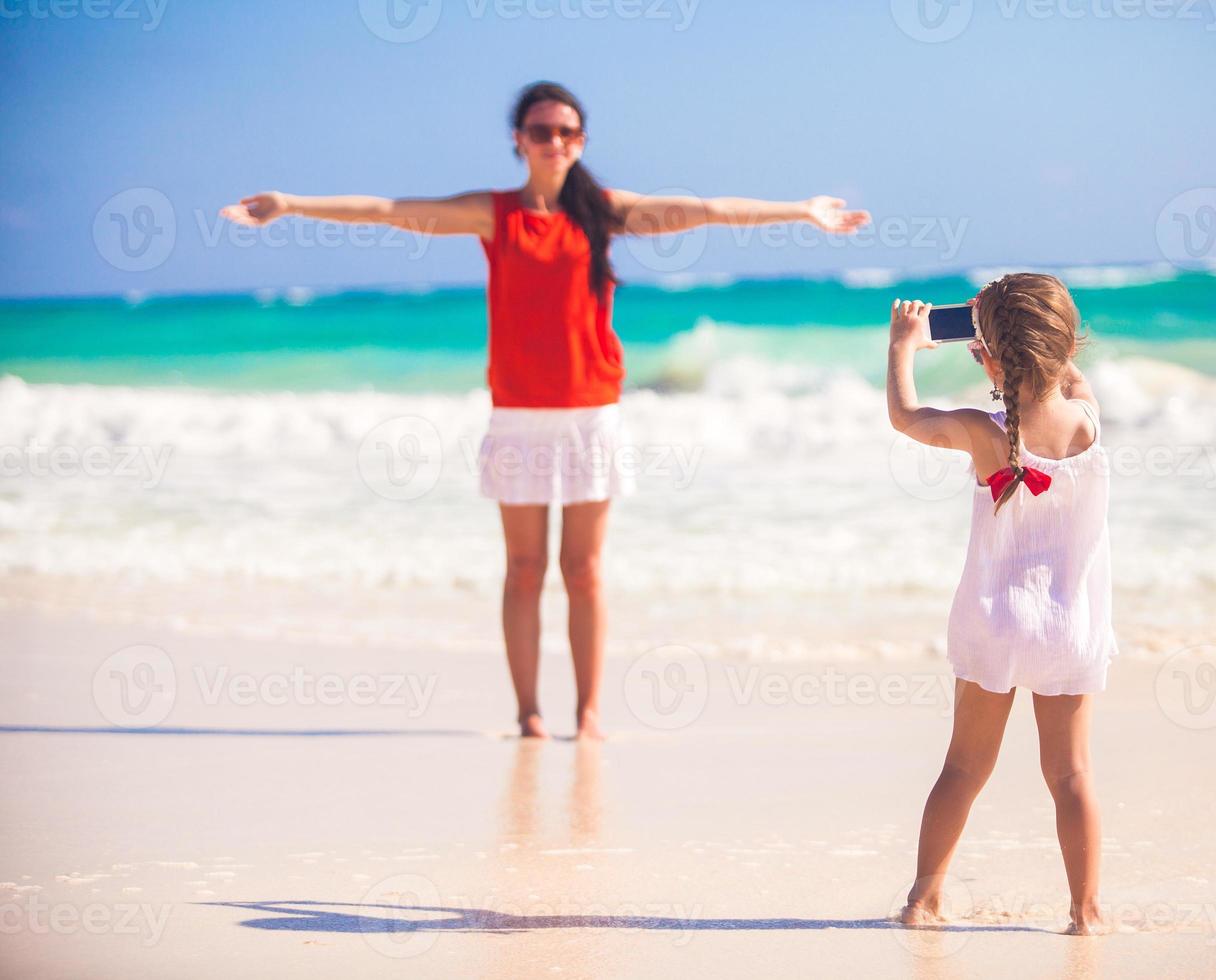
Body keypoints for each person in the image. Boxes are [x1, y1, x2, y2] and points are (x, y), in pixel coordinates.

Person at [221, 81, 870, 740]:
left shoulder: (604, 211)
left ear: (580, 141)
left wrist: (800, 211)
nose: (553, 142)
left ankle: (587, 714)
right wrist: (290, 205)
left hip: (590, 413)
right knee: (524, 570)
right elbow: (390, 210)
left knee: (583, 571)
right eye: (540, 131)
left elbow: (701, 211)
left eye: (566, 132)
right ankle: (529, 714)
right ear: (519, 140)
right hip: (518, 414)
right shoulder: (493, 213)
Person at [885, 275, 1118, 934]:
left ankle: (922, 900)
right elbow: (1072, 380)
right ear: (1065, 345)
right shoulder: (1085, 425)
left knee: (962, 768)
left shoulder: (982, 432)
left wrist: (904, 346)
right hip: (1070, 626)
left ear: (986, 358)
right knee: (1070, 774)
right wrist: (1027, 341)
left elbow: (905, 417)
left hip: (995, 622)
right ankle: (1086, 911)